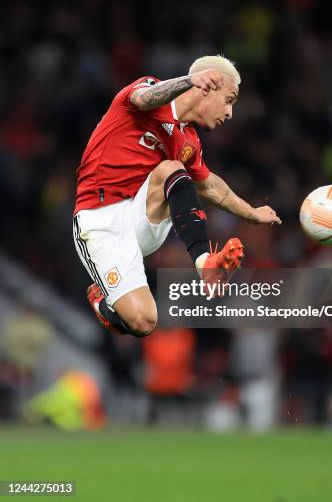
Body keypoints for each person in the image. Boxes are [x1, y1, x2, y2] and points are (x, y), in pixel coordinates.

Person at [73, 55, 281, 337]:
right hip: (100, 217)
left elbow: (210, 187)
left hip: (142, 220)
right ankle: (105, 302)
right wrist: (188, 81)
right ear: (206, 87)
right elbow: (144, 99)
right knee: (144, 323)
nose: (230, 113)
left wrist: (252, 213)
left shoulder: (189, 142)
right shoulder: (149, 90)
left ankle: (204, 263)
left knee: (174, 169)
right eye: (229, 99)